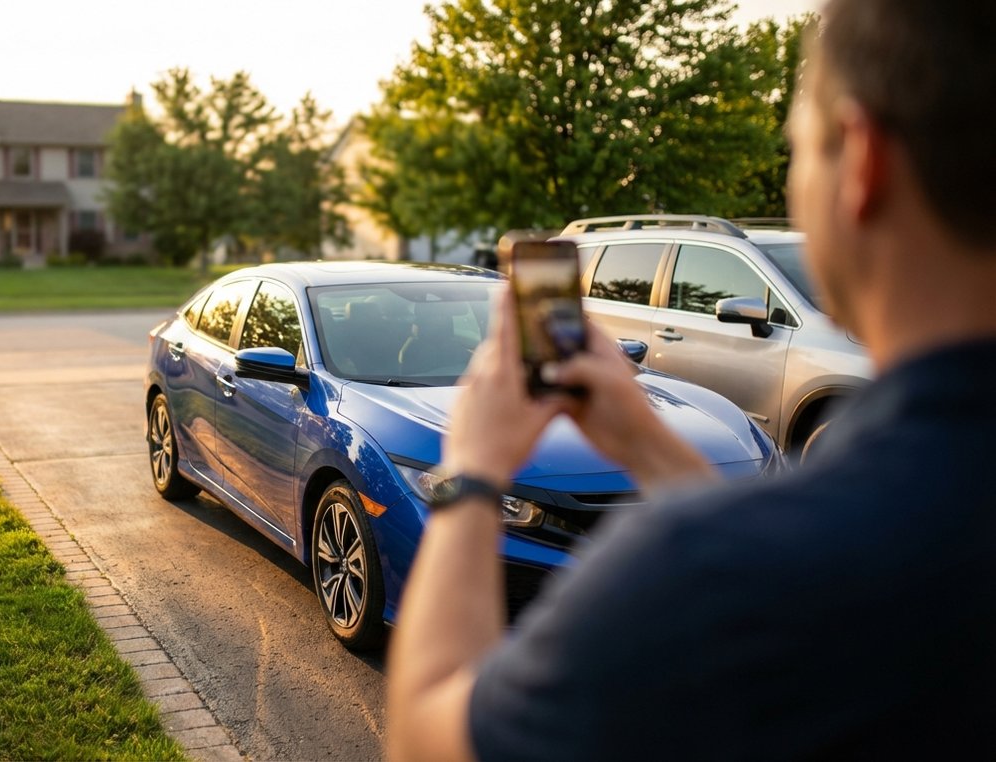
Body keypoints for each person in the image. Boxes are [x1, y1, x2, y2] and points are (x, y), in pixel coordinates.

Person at [386, 0, 996, 758]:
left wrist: (472, 475)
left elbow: (427, 737)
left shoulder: (689, 573)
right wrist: (643, 442)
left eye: (799, 147)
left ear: (861, 160)